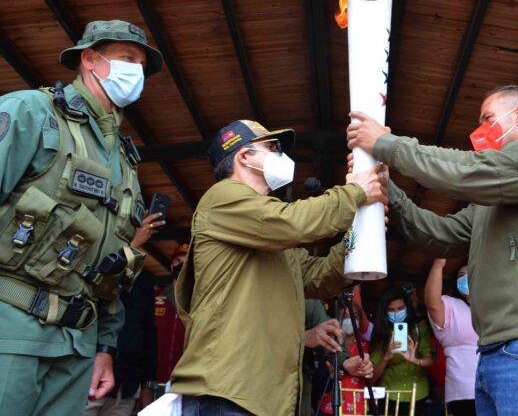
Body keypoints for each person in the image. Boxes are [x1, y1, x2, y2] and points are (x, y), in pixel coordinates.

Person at [347, 84, 518, 416]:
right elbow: (439, 234)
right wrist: (387, 187)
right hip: (498, 349)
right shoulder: (490, 202)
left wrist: (386, 144)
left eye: (488, 118)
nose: (481, 130)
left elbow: (469, 170)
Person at [0, 20, 164, 416]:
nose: (136, 72)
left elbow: (112, 261)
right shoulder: (31, 111)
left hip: (75, 347)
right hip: (11, 332)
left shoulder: (124, 159)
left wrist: (105, 347)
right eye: (127, 59)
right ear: (90, 59)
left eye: (141, 64)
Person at [170, 119, 384, 415]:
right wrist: (355, 192)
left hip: (262, 395)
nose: (280, 156)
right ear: (243, 156)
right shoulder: (222, 198)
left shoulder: (272, 234)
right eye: (271, 148)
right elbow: (293, 222)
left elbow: (321, 276)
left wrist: (361, 233)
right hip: (228, 390)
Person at [84, 269, 159, 416]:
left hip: (127, 385)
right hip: (88, 378)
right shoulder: (99, 260)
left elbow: (148, 332)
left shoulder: (143, 277)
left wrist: (148, 384)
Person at [424, 259, 477, 416]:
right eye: (461, 275)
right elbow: (432, 303)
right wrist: (438, 264)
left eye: (471, 273)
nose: (466, 278)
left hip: (495, 384)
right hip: (465, 391)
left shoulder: (490, 308)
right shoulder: (450, 305)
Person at [370, 286, 433, 416]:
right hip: (389, 394)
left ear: (407, 307)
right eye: (391, 310)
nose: (396, 313)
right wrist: (386, 357)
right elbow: (371, 378)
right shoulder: (382, 331)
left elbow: (430, 360)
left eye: (400, 308)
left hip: (417, 392)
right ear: (384, 312)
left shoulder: (418, 326)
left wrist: (416, 360)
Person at [317, 303, 372, 415]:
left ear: (360, 320)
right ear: (336, 320)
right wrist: (331, 373)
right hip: (330, 406)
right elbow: (318, 381)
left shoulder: (367, 346)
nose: (350, 319)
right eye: (344, 316)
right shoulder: (329, 345)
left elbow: (373, 377)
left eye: (354, 316)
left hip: (358, 407)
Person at [154, 244, 187, 389]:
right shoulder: (155, 297)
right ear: (172, 266)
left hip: (182, 383)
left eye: (186, 263)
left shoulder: (199, 301)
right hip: (152, 381)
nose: (181, 266)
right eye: (178, 262)